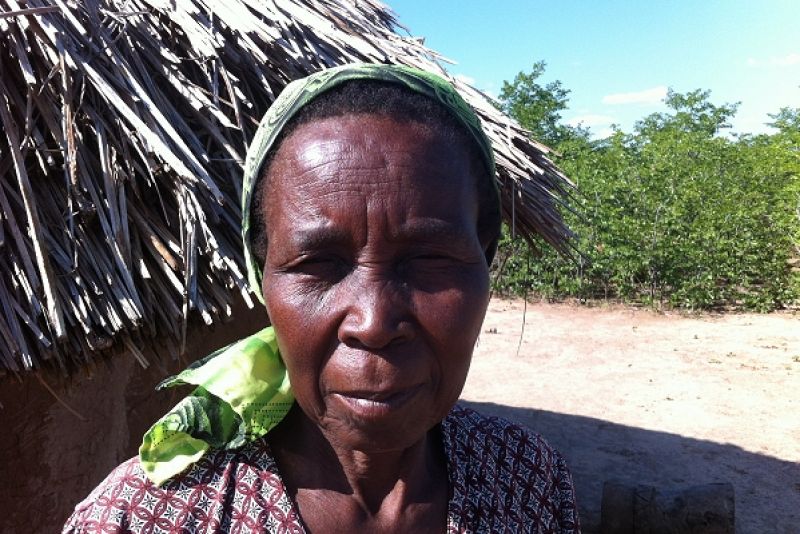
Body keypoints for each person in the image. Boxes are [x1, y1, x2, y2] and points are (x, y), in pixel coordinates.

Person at [64, 64, 580, 533]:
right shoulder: (141, 519)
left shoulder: (525, 479)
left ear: (485, 264)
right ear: (260, 275)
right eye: (318, 264)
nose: (374, 323)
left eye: (430, 260)